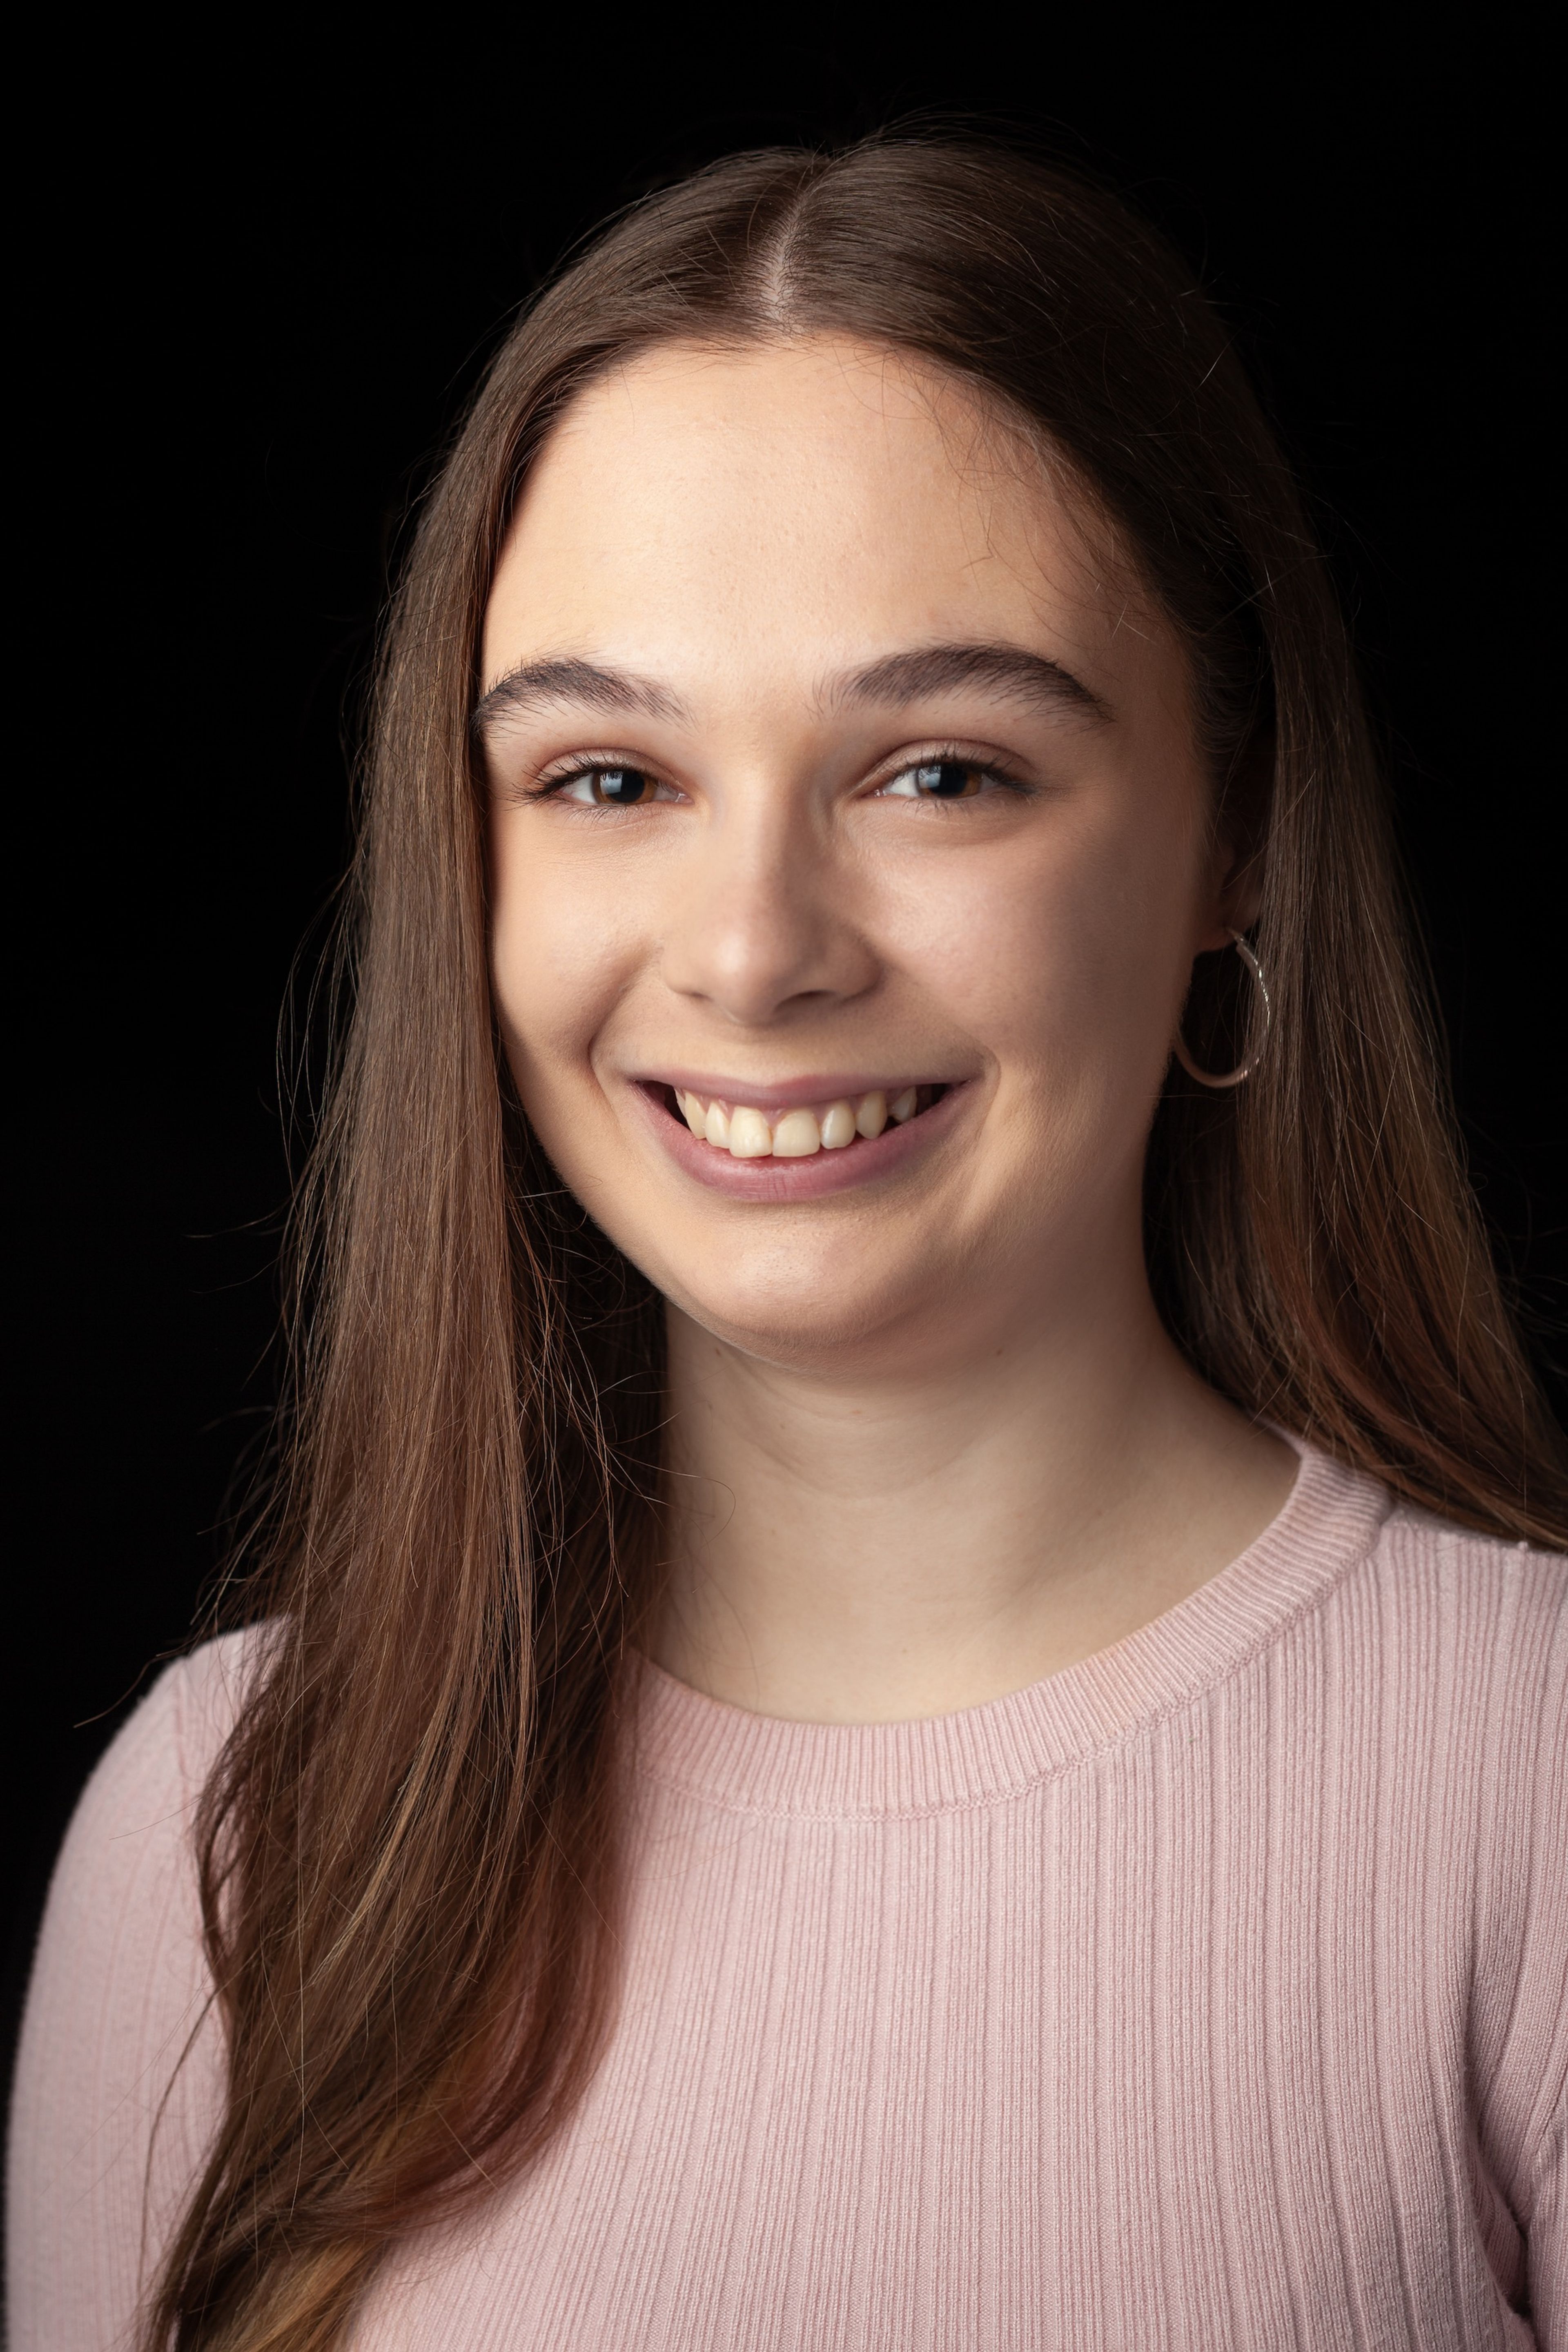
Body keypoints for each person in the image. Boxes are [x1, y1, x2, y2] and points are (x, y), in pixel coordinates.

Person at [9, 135, 1566, 2352]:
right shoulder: (228, 1844)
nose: (754, 954)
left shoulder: (1530, 1782)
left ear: (1237, 828)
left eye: (939, 772)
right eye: (610, 782)